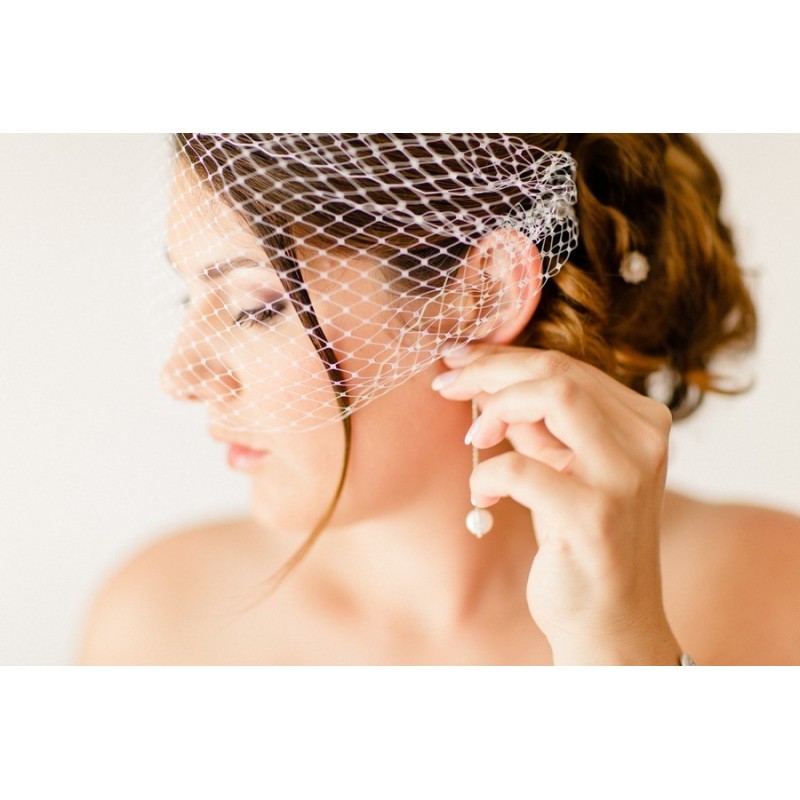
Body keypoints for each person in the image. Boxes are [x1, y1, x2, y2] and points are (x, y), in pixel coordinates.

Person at [79, 133, 800, 665]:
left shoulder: (775, 590)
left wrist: (619, 651)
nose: (181, 375)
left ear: (481, 295)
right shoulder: (157, 624)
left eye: (255, 306)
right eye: (188, 296)